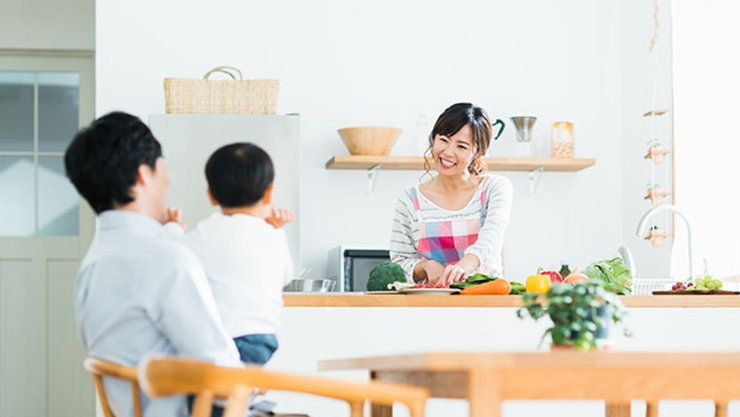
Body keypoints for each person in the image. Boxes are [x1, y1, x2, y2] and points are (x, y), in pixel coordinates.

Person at [65, 112, 242, 417]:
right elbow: (222, 373)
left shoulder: (92, 266)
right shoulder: (165, 259)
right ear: (143, 174)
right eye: (163, 165)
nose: (168, 177)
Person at [167, 142, 294, 365]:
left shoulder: (206, 232)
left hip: (220, 341)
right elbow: (287, 276)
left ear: (211, 196)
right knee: (235, 390)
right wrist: (277, 230)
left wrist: (172, 227)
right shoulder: (273, 235)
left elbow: (175, 256)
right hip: (262, 341)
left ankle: (242, 394)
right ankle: (247, 392)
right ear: (268, 193)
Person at [390, 102, 514, 287]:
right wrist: (426, 266)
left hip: (485, 302)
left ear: (478, 152)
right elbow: (399, 264)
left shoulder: (495, 189)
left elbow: (491, 240)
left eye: (461, 146)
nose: (448, 152)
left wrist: (463, 266)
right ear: (433, 139)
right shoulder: (410, 200)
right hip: (430, 305)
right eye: (443, 140)